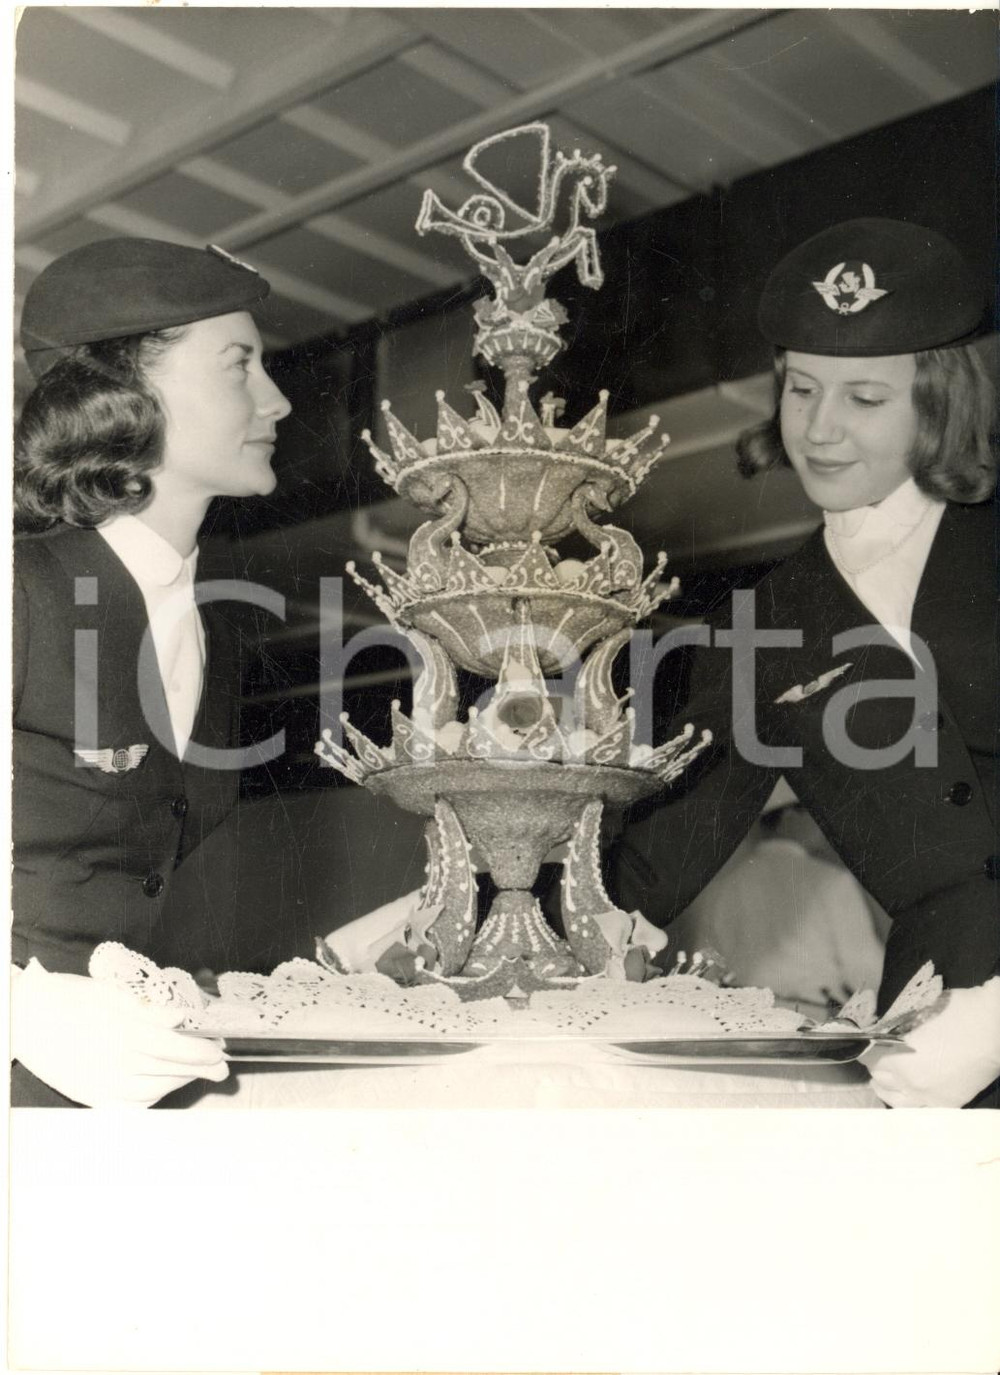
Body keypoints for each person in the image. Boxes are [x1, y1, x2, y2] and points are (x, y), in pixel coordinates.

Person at [606, 217, 999, 1108]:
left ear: (940, 401)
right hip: (940, 1068)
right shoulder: (764, 626)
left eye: (864, 399)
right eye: (802, 389)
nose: (820, 430)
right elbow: (645, 869)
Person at [10, 237, 293, 1107]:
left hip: (112, 1095)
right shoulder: (20, 590)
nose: (277, 400)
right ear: (127, 392)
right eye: (239, 366)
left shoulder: (220, 633)